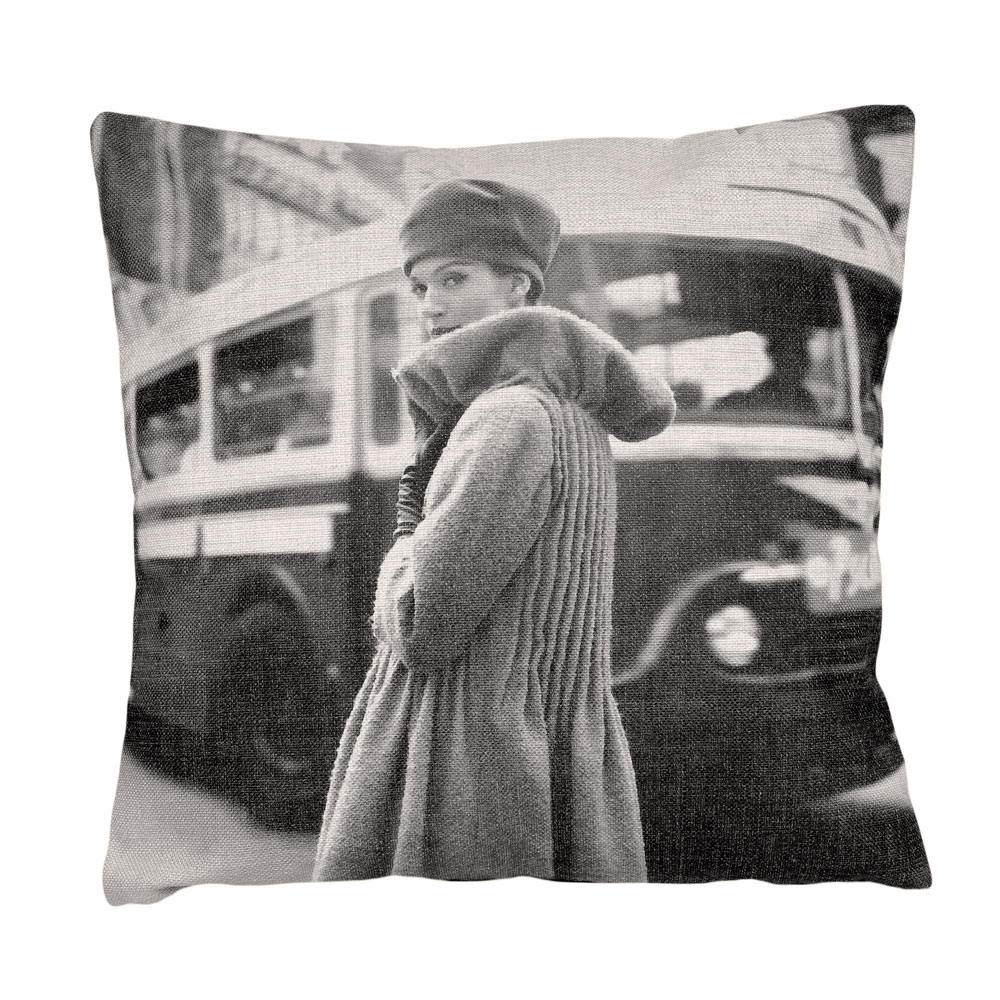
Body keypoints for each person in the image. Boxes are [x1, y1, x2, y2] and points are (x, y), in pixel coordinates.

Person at [312, 179, 677, 882]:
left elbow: (421, 626)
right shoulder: (577, 418)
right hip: (545, 748)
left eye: (454, 279)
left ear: (518, 286)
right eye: (420, 287)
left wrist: (406, 529)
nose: (431, 305)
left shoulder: (506, 418)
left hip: (466, 759)